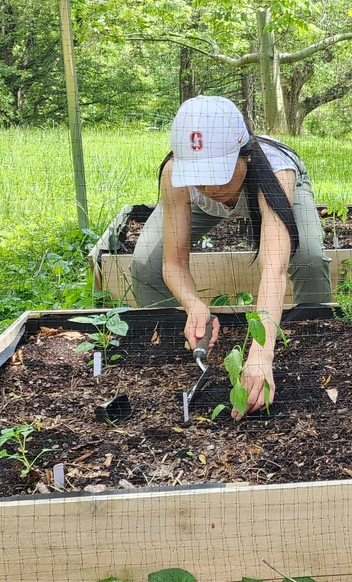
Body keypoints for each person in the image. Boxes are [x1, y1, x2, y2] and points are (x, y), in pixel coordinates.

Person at [130, 95, 331, 417]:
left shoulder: (276, 170)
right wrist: (195, 305)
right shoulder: (175, 176)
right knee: (146, 264)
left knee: (307, 256)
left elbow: (273, 270)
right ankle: (177, 342)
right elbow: (173, 262)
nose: (210, 187)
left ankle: (317, 343)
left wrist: (260, 357)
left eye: (219, 172)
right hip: (203, 213)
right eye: (199, 174)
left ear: (245, 156)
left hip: (267, 191)